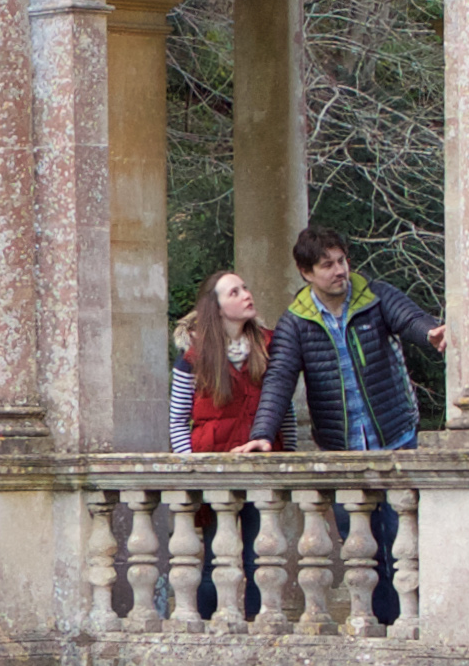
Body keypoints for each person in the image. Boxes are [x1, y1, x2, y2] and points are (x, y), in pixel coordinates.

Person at [243, 229, 441, 622]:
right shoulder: (295, 323)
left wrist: (431, 333)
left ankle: (423, 620)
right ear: (306, 272)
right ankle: (383, 624)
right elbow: (280, 378)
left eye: (342, 261)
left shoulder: (376, 296)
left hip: (397, 438)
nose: (339, 271)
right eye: (327, 265)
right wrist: (262, 435)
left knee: (411, 538)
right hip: (342, 449)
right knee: (363, 548)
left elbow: (411, 319)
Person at [171, 269, 271, 455]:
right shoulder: (192, 354)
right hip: (212, 468)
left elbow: (285, 411)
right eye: (235, 292)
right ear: (217, 307)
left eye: (245, 288)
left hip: (265, 466)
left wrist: (288, 453)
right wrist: (192, 469)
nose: (247, 295)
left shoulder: (266, 346)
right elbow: (178, 420)